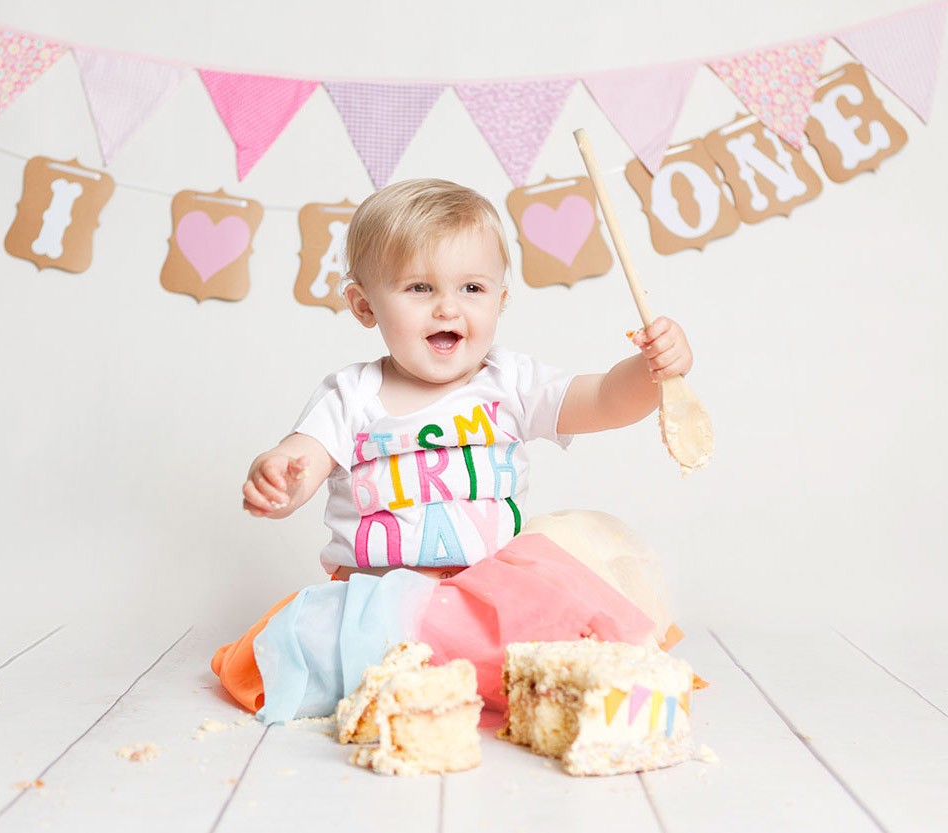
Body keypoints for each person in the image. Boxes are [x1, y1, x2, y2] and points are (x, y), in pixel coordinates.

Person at [212, 178, 694, 722]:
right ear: (363, 304)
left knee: (559, 624)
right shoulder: (351, 395)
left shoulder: (510, 383)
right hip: (380, 603)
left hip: (489, 596)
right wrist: (279, 476)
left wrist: (650, 372)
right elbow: (306, 454)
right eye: (419, 288)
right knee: (309, 643)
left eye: (472, 289)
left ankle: (554, 688)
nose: (447, 308)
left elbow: (605, 400)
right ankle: (430, 683)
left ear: (501, 299)